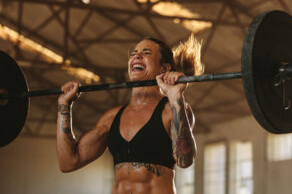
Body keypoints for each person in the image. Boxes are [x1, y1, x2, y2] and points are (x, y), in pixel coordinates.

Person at [56, 35, 204, 194]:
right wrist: (64, 106)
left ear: (164, 68)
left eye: (146, 53)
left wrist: (175, 97)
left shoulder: (171, 110)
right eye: (133, 53)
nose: (137, 56)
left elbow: (185, 160)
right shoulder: (111, 118)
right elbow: (68, 162)